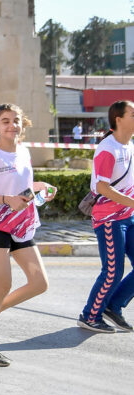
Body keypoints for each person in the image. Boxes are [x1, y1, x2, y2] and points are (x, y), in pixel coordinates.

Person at [0, 103, 53, 365]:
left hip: (22, 225)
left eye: (15, 120)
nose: (11, 125)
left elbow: (23, 187)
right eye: (5, 121)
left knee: (39, 283)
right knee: (3, 284)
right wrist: (6, 200)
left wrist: (41, 187)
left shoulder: (24, 152)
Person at [78, 100, 134, 333]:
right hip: (109, 219)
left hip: (129, 216)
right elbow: (102, 187)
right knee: (112, 270)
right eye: (133, 113)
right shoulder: (108, 149)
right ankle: (90, 315)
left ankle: (113, 306)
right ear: (118, 119)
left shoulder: (130, 146)